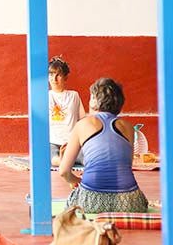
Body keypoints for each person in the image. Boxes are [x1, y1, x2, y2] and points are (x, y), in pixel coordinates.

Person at [58, 77, 148, 213]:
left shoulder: (82, 125)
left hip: (90, 201)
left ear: (94, 100)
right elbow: (127, 165)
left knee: (71, 202)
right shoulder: (128, 127)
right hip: (129, 201)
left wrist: (77, 180)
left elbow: (63, 171)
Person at [48, 56, 86, 167]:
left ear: (65, 77)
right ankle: (64, 161)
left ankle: (68, 159)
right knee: (53, 158)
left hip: (72, 142)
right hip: (52, 142)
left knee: (87, 158)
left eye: (58, 75)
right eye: (51, 75)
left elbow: (82, 120)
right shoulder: (45, 96)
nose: (54, 79)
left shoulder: (74, 96)